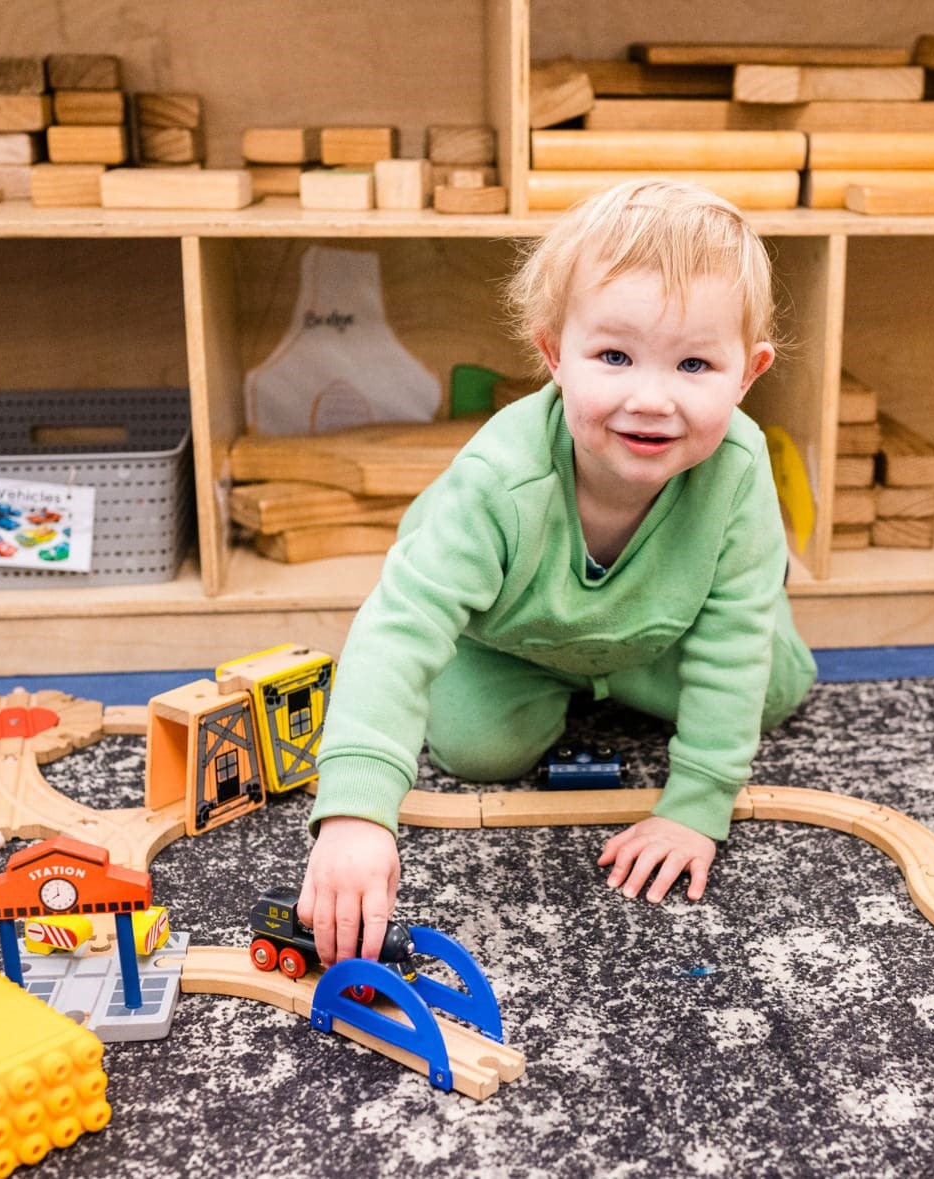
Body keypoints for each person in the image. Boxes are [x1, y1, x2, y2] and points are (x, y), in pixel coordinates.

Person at [296, 178, 818, 967]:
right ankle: (590, 670)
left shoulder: (738, 471)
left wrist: (695, 807)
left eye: (694, 364)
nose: (652, 398)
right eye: (614, 357)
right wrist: (356, 814)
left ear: (748, 373)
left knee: (772, 685)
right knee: (475, 750)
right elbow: (399, 627)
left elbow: (733, 646)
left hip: (657, 626)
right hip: (514, 638)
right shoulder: (499, 481)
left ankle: (656, 647)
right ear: (553, 355)